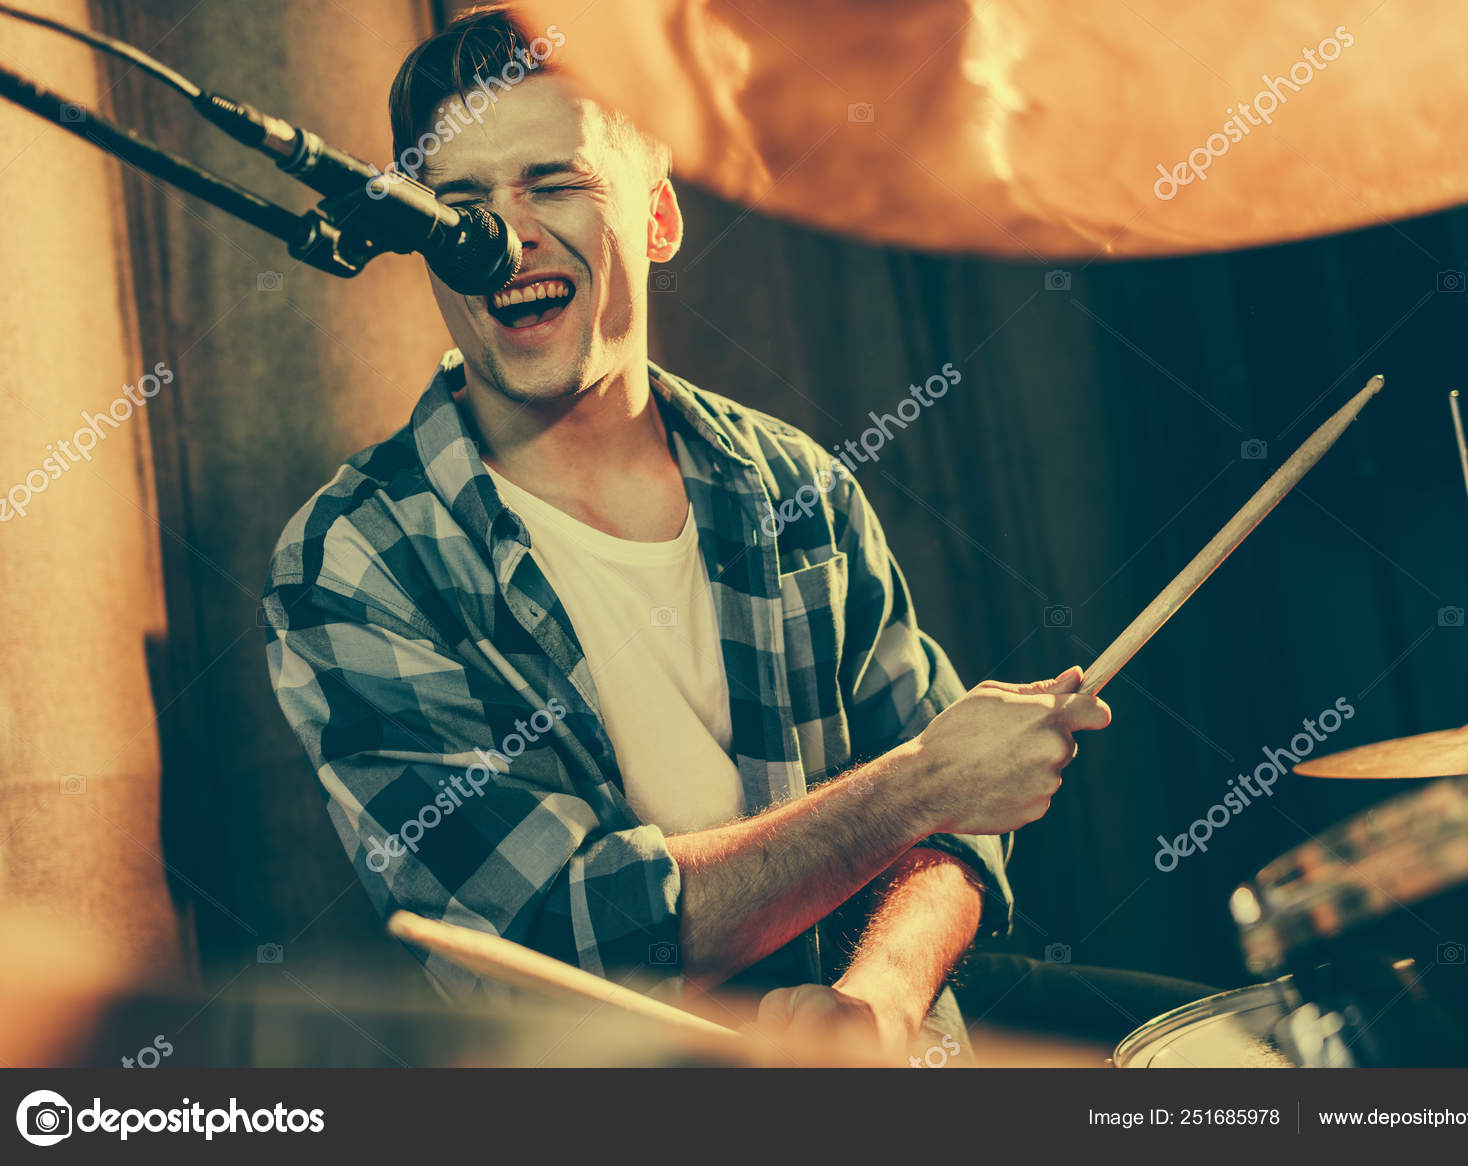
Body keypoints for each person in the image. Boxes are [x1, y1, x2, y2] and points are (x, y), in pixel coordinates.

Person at [262, 4, 1109, 1057]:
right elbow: (562, 946)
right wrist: (912, 784)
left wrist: (881, 997)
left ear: (657, 219)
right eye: (460, 203)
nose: (504, 239)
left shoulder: (793, 482)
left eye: (552, 183)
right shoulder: (356, 559)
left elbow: (957, 822)